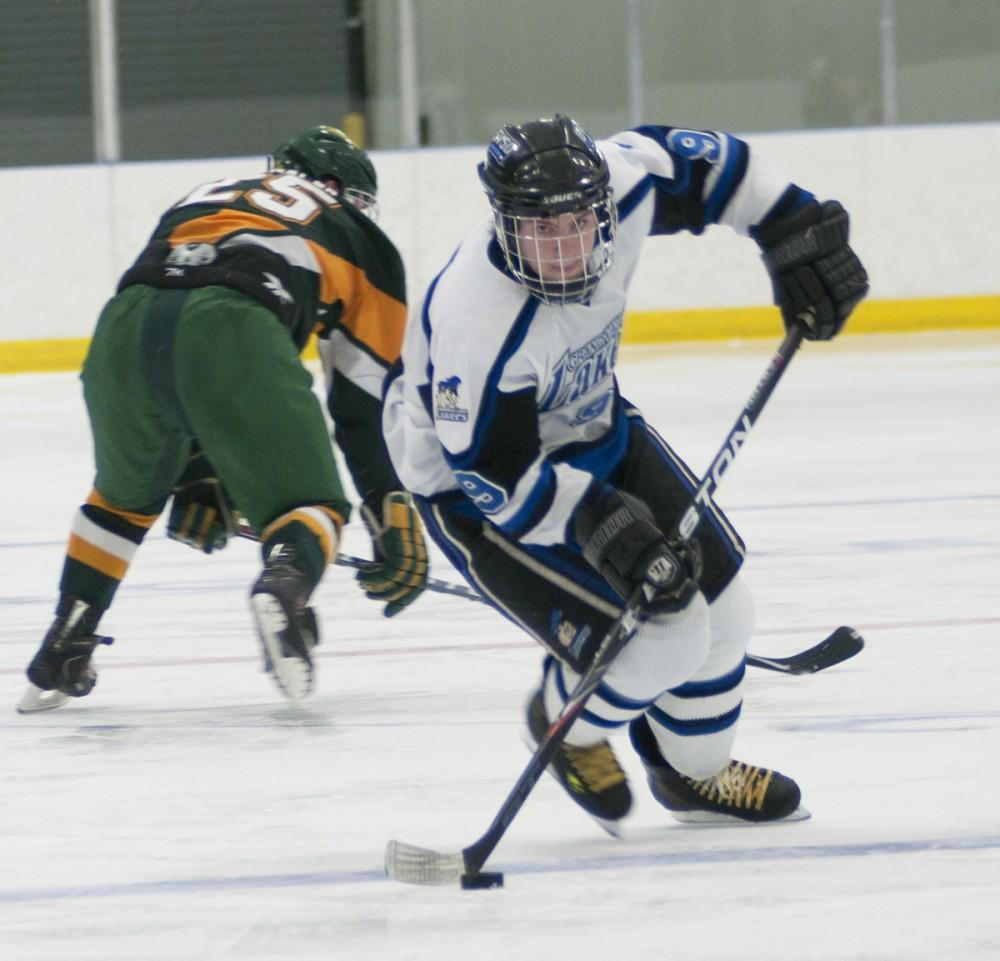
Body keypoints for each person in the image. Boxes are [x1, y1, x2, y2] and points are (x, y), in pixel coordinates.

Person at [383, 114, 867, 827]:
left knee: (725, 606)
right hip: (480, 491)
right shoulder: (475, 324)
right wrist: (598, 522)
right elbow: (497, 481)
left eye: (578, 223)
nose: (565, 249)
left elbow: (711, 165)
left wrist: (792, 227)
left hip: (597, 427)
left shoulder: (625, 183)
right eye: (540, 233)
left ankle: (693, 775)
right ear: (505, 225)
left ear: (602, 204)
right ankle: (564, 722)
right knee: (666, 633)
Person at [18, 125, 427, 713]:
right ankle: (283, 589)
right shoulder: (361, 238)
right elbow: (361, 405)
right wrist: (388, 506)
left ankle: (65, 640)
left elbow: (171, 320)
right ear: (339, 189)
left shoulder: (205, 193)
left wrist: (194, 470)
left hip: (121, 333)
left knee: (121, 502)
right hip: (235, 324)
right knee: (310, 508)